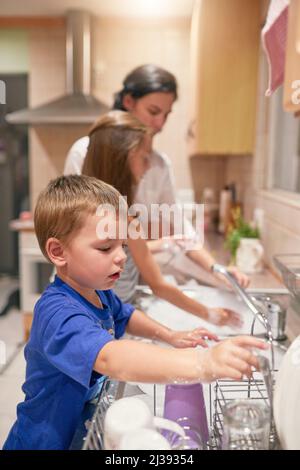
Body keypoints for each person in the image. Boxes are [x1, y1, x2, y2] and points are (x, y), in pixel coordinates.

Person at [3, 175, 266, 450]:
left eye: (123, 245)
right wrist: (203, 362)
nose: (121, 256)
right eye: (106, 247)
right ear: (58, 252)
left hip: (80, 435)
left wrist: (170, 335)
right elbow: (110, 358)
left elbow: (125, 315)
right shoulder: (58, 314)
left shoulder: (97, 291)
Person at [64, 64, 249, 290]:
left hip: (126, 284)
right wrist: (157, 246)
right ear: (129, 102)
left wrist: (217, 269)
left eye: (166, 114)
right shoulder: (84, 153)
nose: (160, 124)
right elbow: (76, 237)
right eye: (153, 112)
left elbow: (180, 229)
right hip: (82, 287)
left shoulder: (159, 165)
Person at [82, 110, 241, 328]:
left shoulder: (96, 211)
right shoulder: (121, 218)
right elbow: (159, 285)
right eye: (144, 157)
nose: (148, 166)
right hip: (99, 327)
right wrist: (211, 315)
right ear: (122, 159)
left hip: (105, 320)